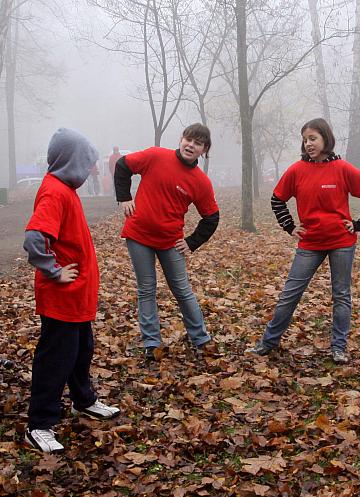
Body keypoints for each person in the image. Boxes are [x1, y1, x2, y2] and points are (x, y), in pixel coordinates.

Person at [245, 118, 360, 364]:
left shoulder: (342, 167)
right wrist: (289, 226)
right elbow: (277, 199)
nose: (308, 144)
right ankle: (268, 342)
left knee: (341, 295)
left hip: (342, 242)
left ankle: (338, 348)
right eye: (305, 139)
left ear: (325, 139)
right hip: (309, 244)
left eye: (313, 138)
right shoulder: (296, 170)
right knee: (290, 294)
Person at [23, 128, 120, 453]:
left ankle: (84, 400)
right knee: (56, 359)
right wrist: (54, 271)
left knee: (81, 352)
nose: (92, 169)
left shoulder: (66, 189)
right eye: (88, 163)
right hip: (60, 300)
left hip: (77, 299)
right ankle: (39, 424)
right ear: (72, 161)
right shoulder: (54, 191)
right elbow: (35, 239)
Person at [114, 123, 219, 360]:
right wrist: (124, 197)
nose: (191, 145)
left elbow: (211, 217)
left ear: (204, 149)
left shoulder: (200, 182)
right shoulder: (155, 156)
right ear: (181, 139)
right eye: (188, 139)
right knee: (147, 289)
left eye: (198, 143)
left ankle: (201, 339)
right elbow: (123, 166)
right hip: (138, 235)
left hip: (171, 241)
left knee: (182, 291)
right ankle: (152, 343)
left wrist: (192, 242)